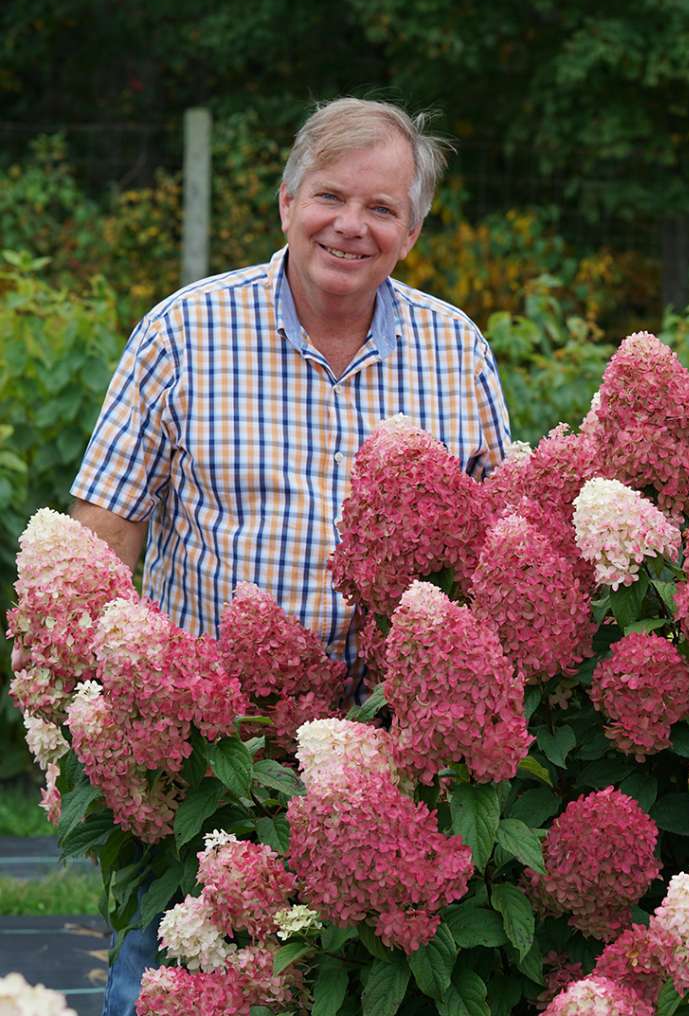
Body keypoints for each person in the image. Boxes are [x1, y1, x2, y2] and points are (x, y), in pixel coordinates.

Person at [69, 97, 511, 1016]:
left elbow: (500, 548)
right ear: (285, 203)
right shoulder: (183, 334)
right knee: (169, 987)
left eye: (382, 209)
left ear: (412, 232)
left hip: (394, 770)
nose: (351, 226)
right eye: (330, 197)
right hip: (208, 763)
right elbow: (99, 538)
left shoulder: (455, 349)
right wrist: (98, 724)